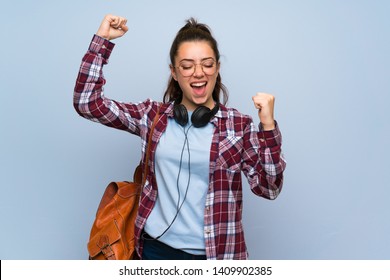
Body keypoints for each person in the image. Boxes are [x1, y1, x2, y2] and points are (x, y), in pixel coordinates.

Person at [74, 14, 286, 260]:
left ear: (217, 68)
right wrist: (102, 42)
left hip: (217, 257)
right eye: (187, 66)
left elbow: (270, 188)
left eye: (207, 64)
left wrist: (268, 127)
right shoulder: (152, 116)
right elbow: (87, 103)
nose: (198, 73)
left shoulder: (238, 126)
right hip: (153, 251)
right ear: (174, 72)